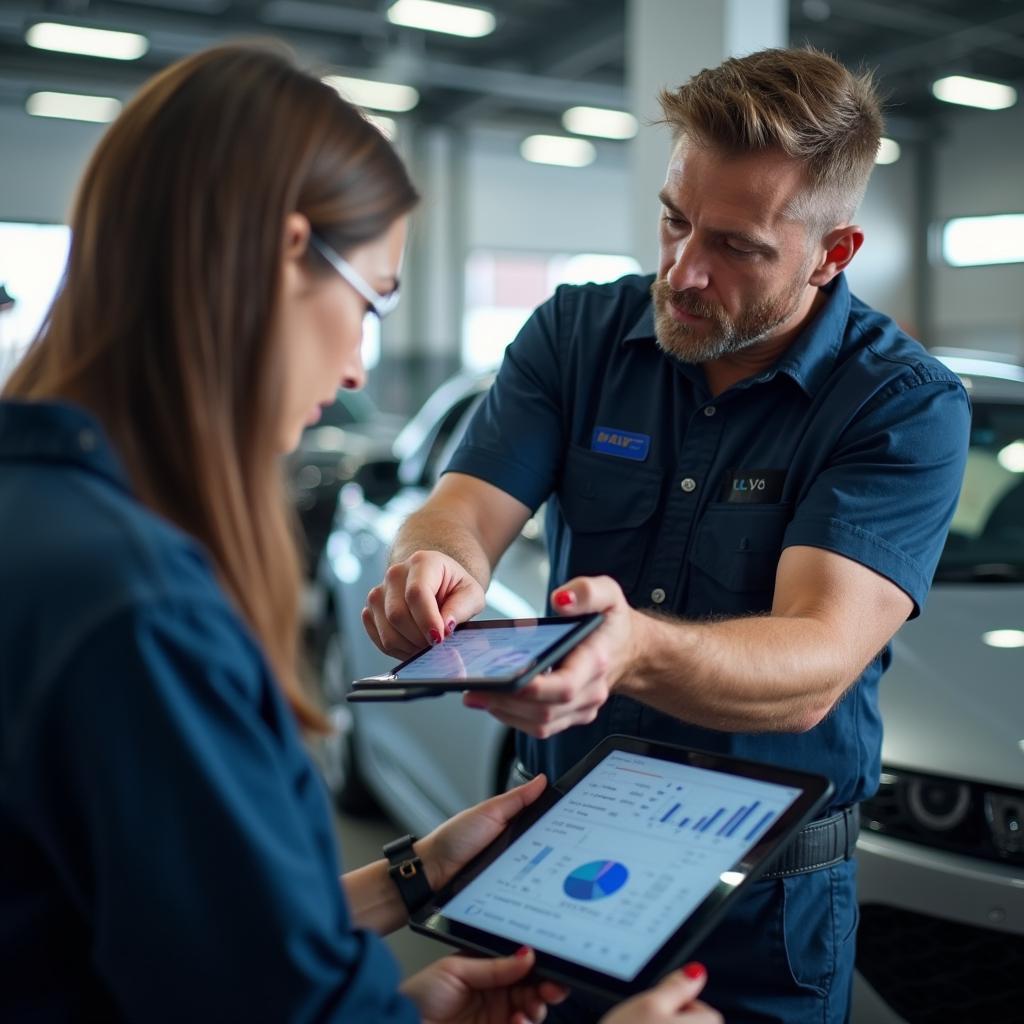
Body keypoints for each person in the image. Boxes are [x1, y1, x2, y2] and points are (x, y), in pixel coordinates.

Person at [0, 43, 721, 1024]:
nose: (353, 368)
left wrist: (416, 879)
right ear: (287, 252)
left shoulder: (42, 520)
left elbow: (169, 947)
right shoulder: (137, 603)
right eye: (372, 298)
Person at [364, 47, 971, 1024]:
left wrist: (630, 648)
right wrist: (432, 559)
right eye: (674, 221)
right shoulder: (577, 334)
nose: (684, 272)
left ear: (833, 253)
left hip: (757, 913)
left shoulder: (897, 406)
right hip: (546, 867)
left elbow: (816, 660)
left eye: (735, 247)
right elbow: (462, 510)